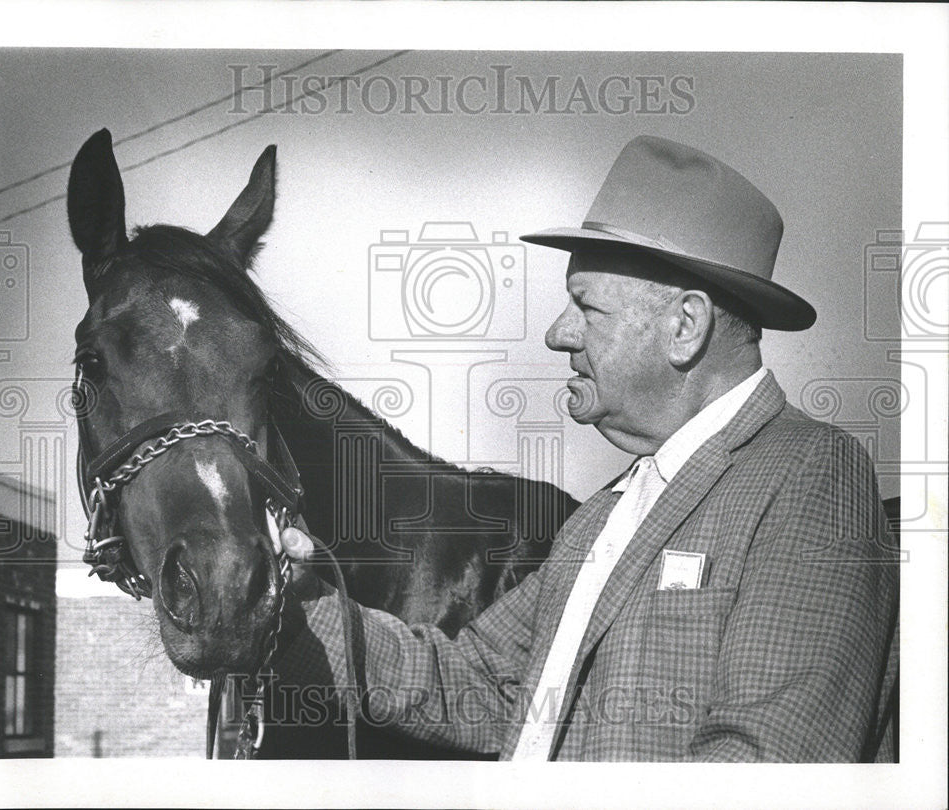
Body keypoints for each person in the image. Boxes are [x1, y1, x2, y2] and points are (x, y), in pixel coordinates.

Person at [276, 135, 899, 762]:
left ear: (686, 326)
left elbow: (768, 769)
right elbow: (477, 683)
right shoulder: (604, 514)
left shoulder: (810, 472)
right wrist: (295, 604)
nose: (557, 333)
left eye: (587, 306)